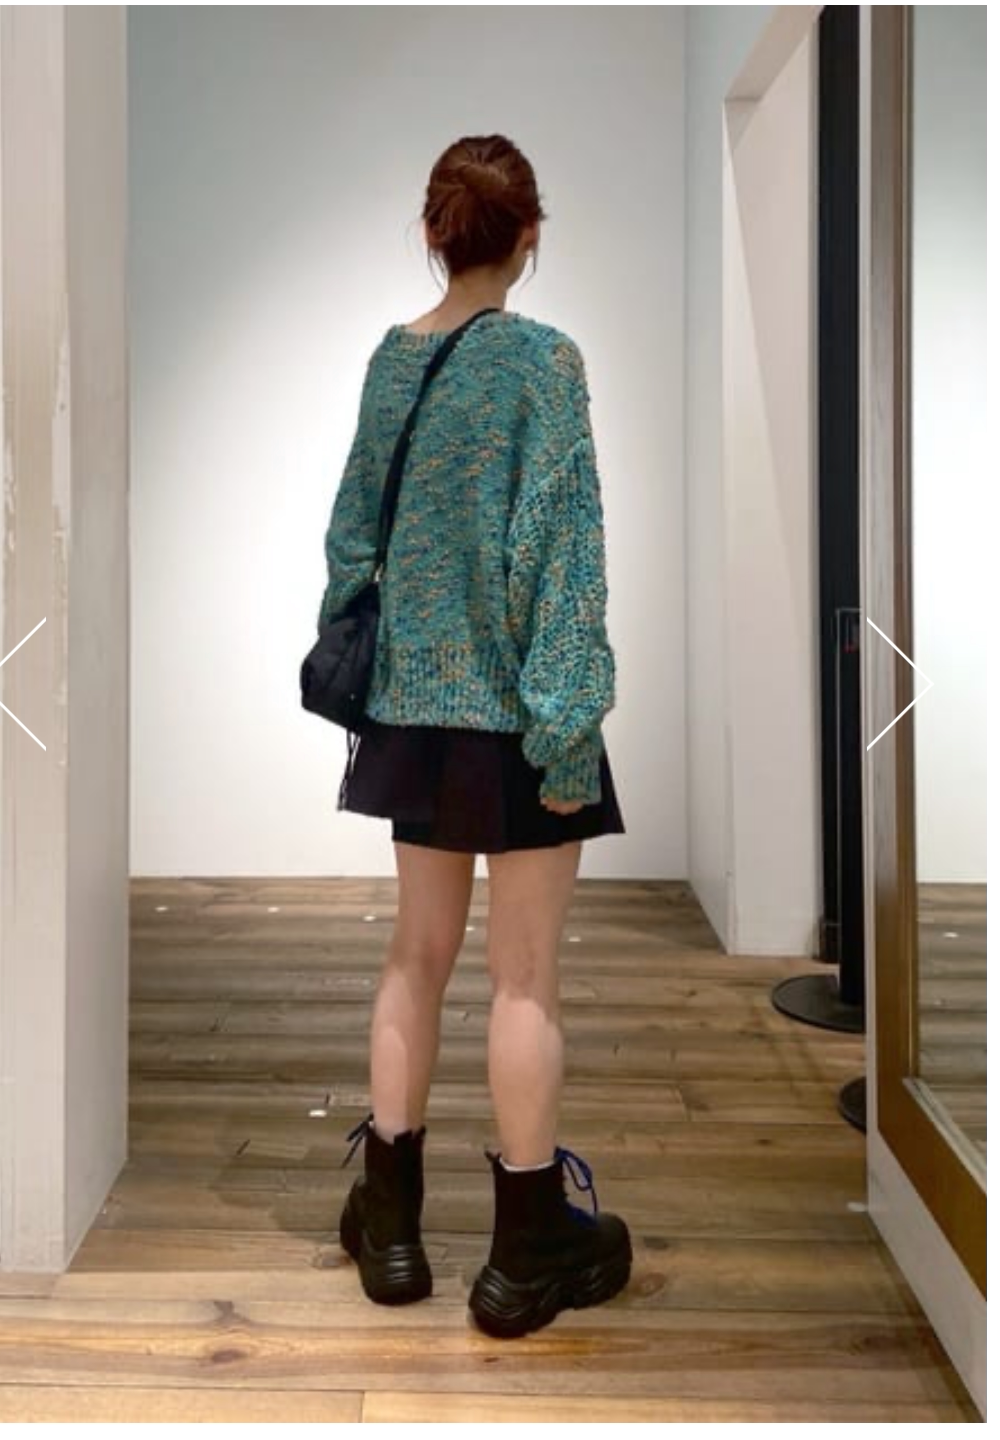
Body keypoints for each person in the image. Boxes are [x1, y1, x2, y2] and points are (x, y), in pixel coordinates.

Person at [315, 134, 631, 1339]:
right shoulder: (547, 365)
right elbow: (566, 555)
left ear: (434, 232)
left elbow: (352, 537)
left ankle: (391, 1232)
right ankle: (524, 1254)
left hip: (412, 713)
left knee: (416, 959)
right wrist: (567, 726)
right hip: (515, 718)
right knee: (525, 978)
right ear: (530, 237)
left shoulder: (392, 362)